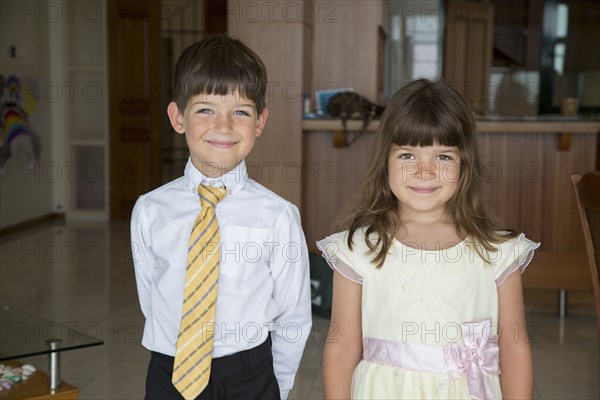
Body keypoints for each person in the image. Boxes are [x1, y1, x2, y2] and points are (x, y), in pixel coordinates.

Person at [318, 79, 537, 400]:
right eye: (407, 156)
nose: (425, 171)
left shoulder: (497, 251)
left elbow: (515, 348)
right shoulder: (357, 250)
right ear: (385, 161)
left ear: (464, 164)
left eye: (443, 157)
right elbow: (341, 349)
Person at [131, 35, 312, 400]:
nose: (224, 126)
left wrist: (278, 385)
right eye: (205, 110)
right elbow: (151, 295)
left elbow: (293, 315)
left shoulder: (278, 216)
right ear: (177, 117)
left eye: (241, 112)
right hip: (170, 371)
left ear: (259, 122)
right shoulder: (151, 209)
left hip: (249, 374)